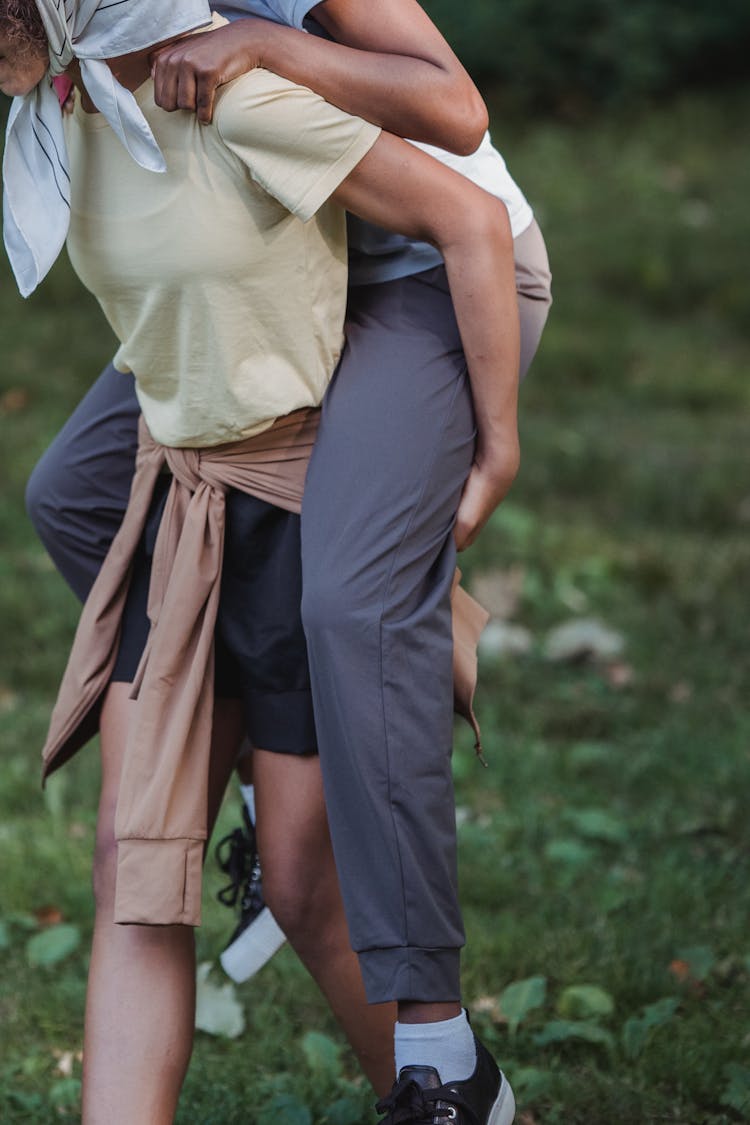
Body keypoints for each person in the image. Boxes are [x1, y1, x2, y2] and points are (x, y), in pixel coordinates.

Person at [3, 3, 552, 1125]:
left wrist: (269, 46)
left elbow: (456, 117)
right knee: (76, 492)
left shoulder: (217, 71)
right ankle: (271, 759)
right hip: (278, 268)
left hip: (421, 274)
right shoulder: (100, 63)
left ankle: (438, 1052)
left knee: (351, 599)